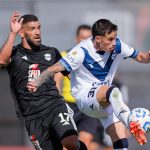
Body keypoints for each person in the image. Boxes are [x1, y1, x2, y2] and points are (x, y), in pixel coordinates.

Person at [27, 19, 150, 149]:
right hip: (85, 98)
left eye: (115, 38)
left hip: (104, 101)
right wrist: (36, 82)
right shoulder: (80, 51)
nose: (114, 43)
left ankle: (128, 123)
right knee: (113, 91)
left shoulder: (118, 46)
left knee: (120, 138)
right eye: (110, 39)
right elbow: (54, 69)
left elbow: (141, 57)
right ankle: (130, 120)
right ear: (97, 39)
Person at [0, 12, 87, 150]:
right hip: (32, 116)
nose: (37, 32)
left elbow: (71, 76)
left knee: (71, 143)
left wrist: (89, 90)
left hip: (54, 106)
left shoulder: (52, 52)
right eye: (32, 29)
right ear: (22, 33)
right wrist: (12, 34)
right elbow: (2, 60)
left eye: (39, 28)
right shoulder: (15, 54)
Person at [58, 25, 102, 150]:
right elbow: (57, 79)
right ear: (77, 38)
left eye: (88, 38)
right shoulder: (65, 55)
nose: (85, 41)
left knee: (85, 142)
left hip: (88, 105)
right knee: (67, 144)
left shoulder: (98, 59)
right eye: (82, 38)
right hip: (69, 105)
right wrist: (57, 101)